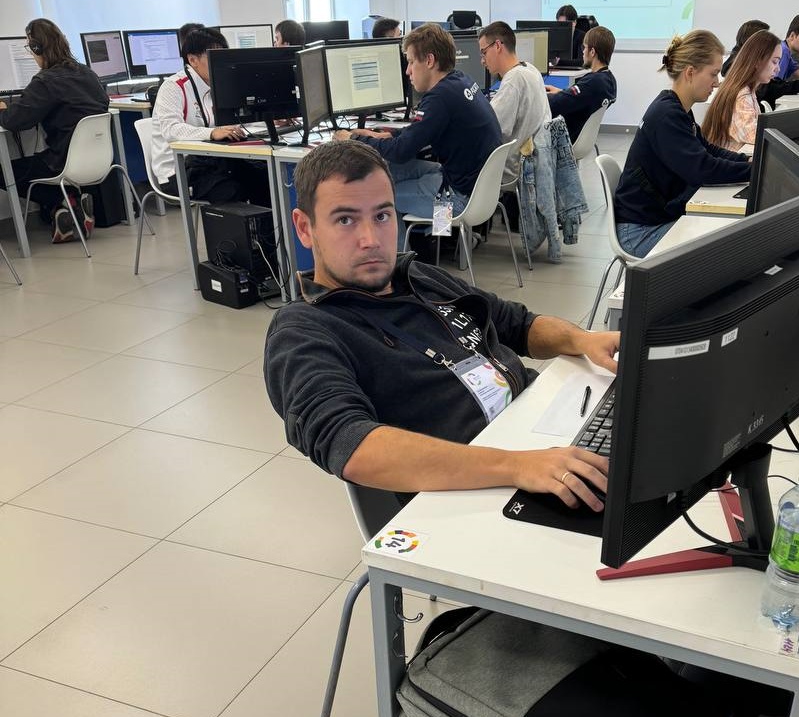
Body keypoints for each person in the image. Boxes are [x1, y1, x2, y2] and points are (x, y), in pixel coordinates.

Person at [263, 140, 618, 513]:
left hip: (532, 439)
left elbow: (517, 323)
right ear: (305, 228)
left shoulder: (417, 276)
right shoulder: (303, 330)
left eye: (382, 216)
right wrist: (517, 466)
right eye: (345, 220)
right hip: (475, 492)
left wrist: (584, 340)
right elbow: (351, 444)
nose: (371, 240)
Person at [332, 23, 501, 232]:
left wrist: (353, 140)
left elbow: (401, 152)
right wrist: (387, 135)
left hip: (457, 202)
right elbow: (421, 130)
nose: (407, 71)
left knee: (379, 197)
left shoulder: (439, 99)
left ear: (429, 60)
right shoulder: (459, 80)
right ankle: (437, 243)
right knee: (386, 172)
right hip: (470, 189)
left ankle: (403, 254)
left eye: (411, 62)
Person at [613, 30, 751, 258]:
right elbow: (702, 169)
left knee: (728, 238)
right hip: (639, 232)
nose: (717, 83)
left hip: (654, 219)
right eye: (713, 74)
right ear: (690, 72)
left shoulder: (676, 108)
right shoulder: (667, 115)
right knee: (726, 251)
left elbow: (706, 149)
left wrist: (746, 160)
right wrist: (754, 171)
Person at [0, 18, 109, 243]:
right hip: (99, 161)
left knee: (4, 171)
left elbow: (13, 121)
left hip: (61, 162)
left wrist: (3, 109)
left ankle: (64, 201)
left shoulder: (45, 81)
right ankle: (66, 205)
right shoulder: (88, 73)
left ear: (36, 48)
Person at [149, 27, 271, 206]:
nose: (221, 63)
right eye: (213, 57)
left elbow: (237, 119)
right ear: (193, 60)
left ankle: (269, 225)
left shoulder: (219, 83)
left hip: (213, 160)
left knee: (265, 175)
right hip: (179, 170)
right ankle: (238, 226)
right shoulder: (174, 87)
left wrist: (270, 120)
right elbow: (171, 130)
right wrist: (211, 133)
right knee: (232, 190)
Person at [478, 21, 550, 185]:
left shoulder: (513, 81)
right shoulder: (530, 69)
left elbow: (491, 130)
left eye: (484, 52)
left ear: (497, 46)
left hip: (511, 170)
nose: (482, 61)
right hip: (533, 163)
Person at [702, 30, 782, 152]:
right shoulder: (741, 95)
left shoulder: (746, 89)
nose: (778, 69)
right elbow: (754, 134)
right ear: (757, 61)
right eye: (774, 62)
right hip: (728, 161)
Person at [545, 25, 617, 144]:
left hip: (565, 138)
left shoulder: (593, 82)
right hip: (582, 137)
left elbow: (555, 104)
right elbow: (578, 97)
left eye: (584, 48)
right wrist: (561, 92)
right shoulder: (609, 80)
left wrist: (538, 96)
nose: (583, 52)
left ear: (592, 52)